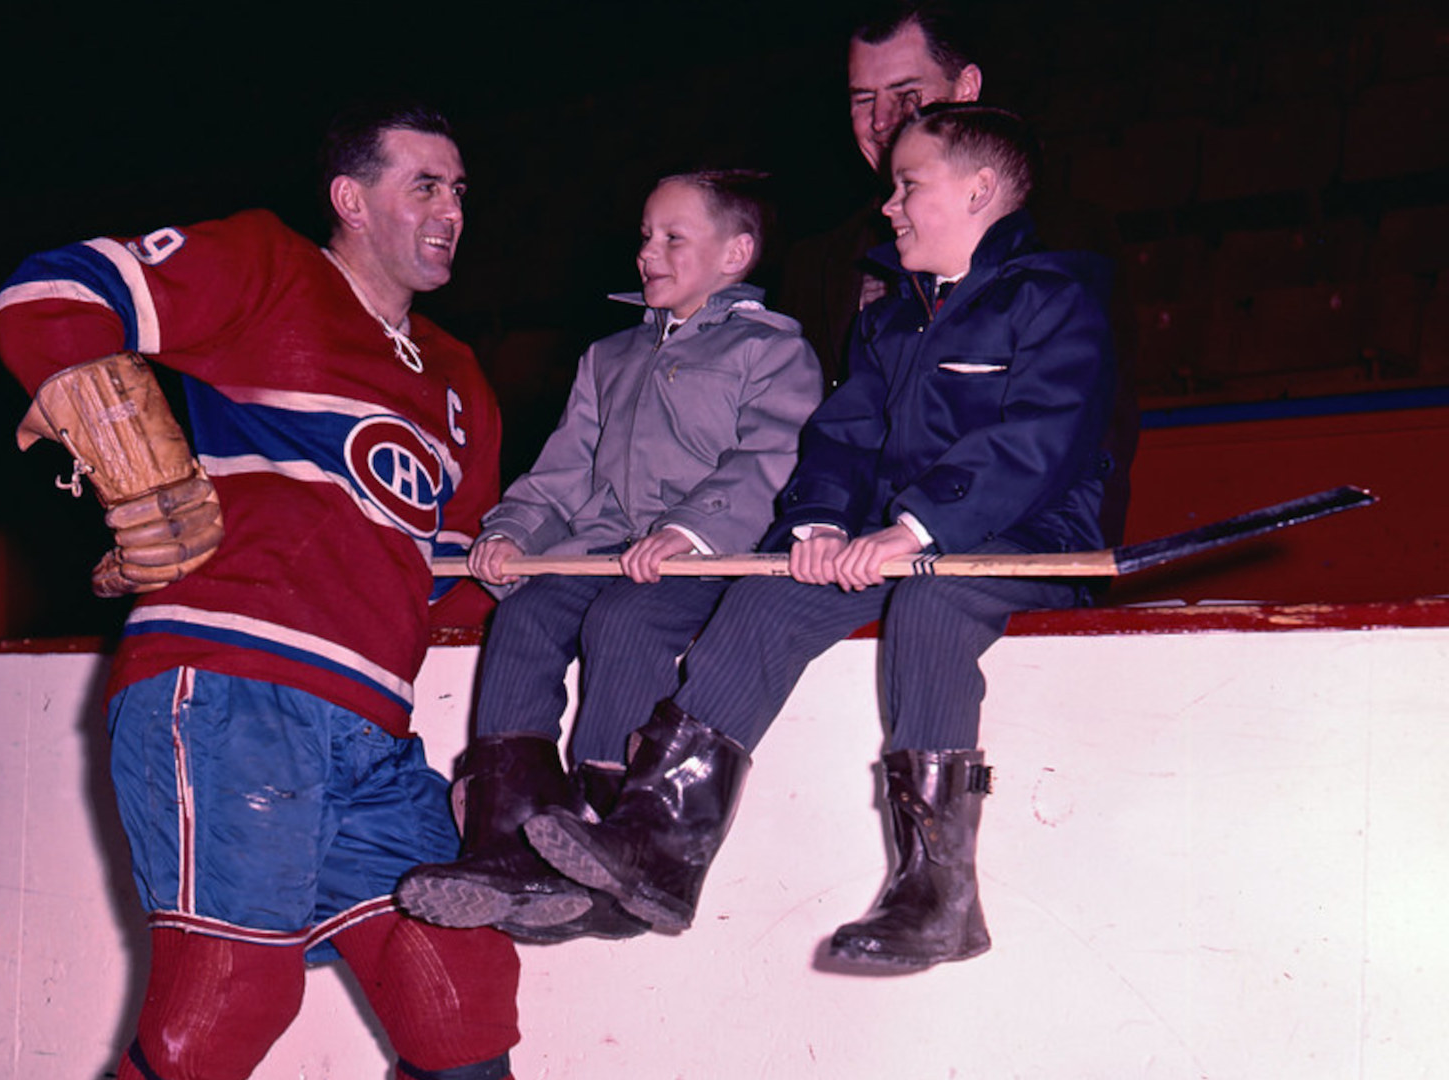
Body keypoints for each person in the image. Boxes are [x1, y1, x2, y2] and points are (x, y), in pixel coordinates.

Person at [0, 101, 521, 1080]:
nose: (450, 209)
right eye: (424, 185)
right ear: (350, 199)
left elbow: (451, 589)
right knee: (230, 995)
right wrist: (132, 471)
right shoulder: (269, 268)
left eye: (458, 190)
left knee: (459, 995)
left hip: (372, 730)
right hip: (231, 689)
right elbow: (49, 294)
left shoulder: (459, 381)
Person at [523, 104, 1118, 969]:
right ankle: (659, 848)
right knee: (772, 595)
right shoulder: (895, 316)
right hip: (902, 536)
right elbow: (840, 436)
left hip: (1027, 538)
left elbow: (1036, 443)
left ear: (980, 189)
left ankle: (938, 892)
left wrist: (914, 529)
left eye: (910, 185)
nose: (890, 205)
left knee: (935, 603)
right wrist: (820, 523)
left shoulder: (1058, 296)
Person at [394, 171, 822, 942]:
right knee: (524, 618)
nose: (647, 253)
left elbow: (767, 456)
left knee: (627, 621)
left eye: (672, 239)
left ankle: (609, 836)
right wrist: (514, 532)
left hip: (704, 558)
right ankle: (505, 839)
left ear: (737, 253)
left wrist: (691, 531)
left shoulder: (771, 350)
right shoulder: (610, 356)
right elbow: (563, 467)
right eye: (645, 237)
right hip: (599, 547)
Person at [776, 0, 1136, 543]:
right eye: (863, 99)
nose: (881, 121)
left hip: (998, 543)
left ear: (966, 89)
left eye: (906, 94)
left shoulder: (1066, 239)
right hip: (839, 546)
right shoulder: (816, 261)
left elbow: (1077, 431)